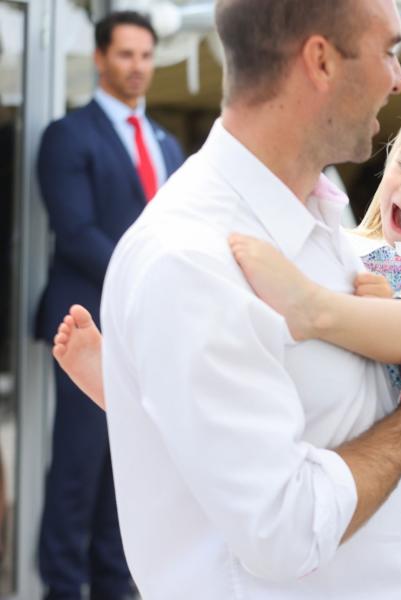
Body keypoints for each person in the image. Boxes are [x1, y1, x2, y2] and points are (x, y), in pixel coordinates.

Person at [44, 1, 401, 598]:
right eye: (387, 49)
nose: (398, 78)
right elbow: (286, 532)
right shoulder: (190, 261)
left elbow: (322, 421)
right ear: (321, 61)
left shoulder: (324, 211)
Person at [55, 87, 401, 499]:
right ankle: (127, 397)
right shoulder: (358, 243)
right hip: (345, 398)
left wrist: (359, 308)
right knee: (234, 410)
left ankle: (308, 311)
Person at [33, 11, 184, 599]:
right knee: (77, 470)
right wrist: (152, 279)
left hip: (146, 332)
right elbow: (75, 232)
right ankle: (63, 588)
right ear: (100, 58)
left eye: (146, 56)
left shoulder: (168, 144)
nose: (138, 67)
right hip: (85, 326)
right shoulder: (67, 135)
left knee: (131, 470)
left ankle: (118, 587)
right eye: (125, 55)